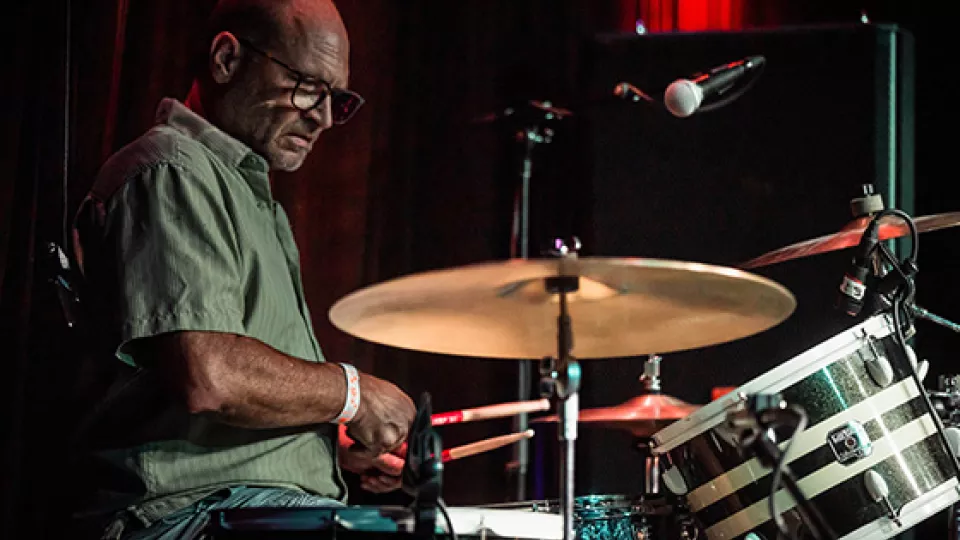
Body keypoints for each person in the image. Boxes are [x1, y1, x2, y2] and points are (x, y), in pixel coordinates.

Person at [69, 0, 416, 538]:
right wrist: (351, 395)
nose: (323, 117)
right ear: (227, 59)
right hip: (190, 514)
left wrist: (326, 443)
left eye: (336, 99)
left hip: (250, 508)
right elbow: (211, 375)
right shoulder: (171, 168)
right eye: (307, 86)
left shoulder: (249, 195)